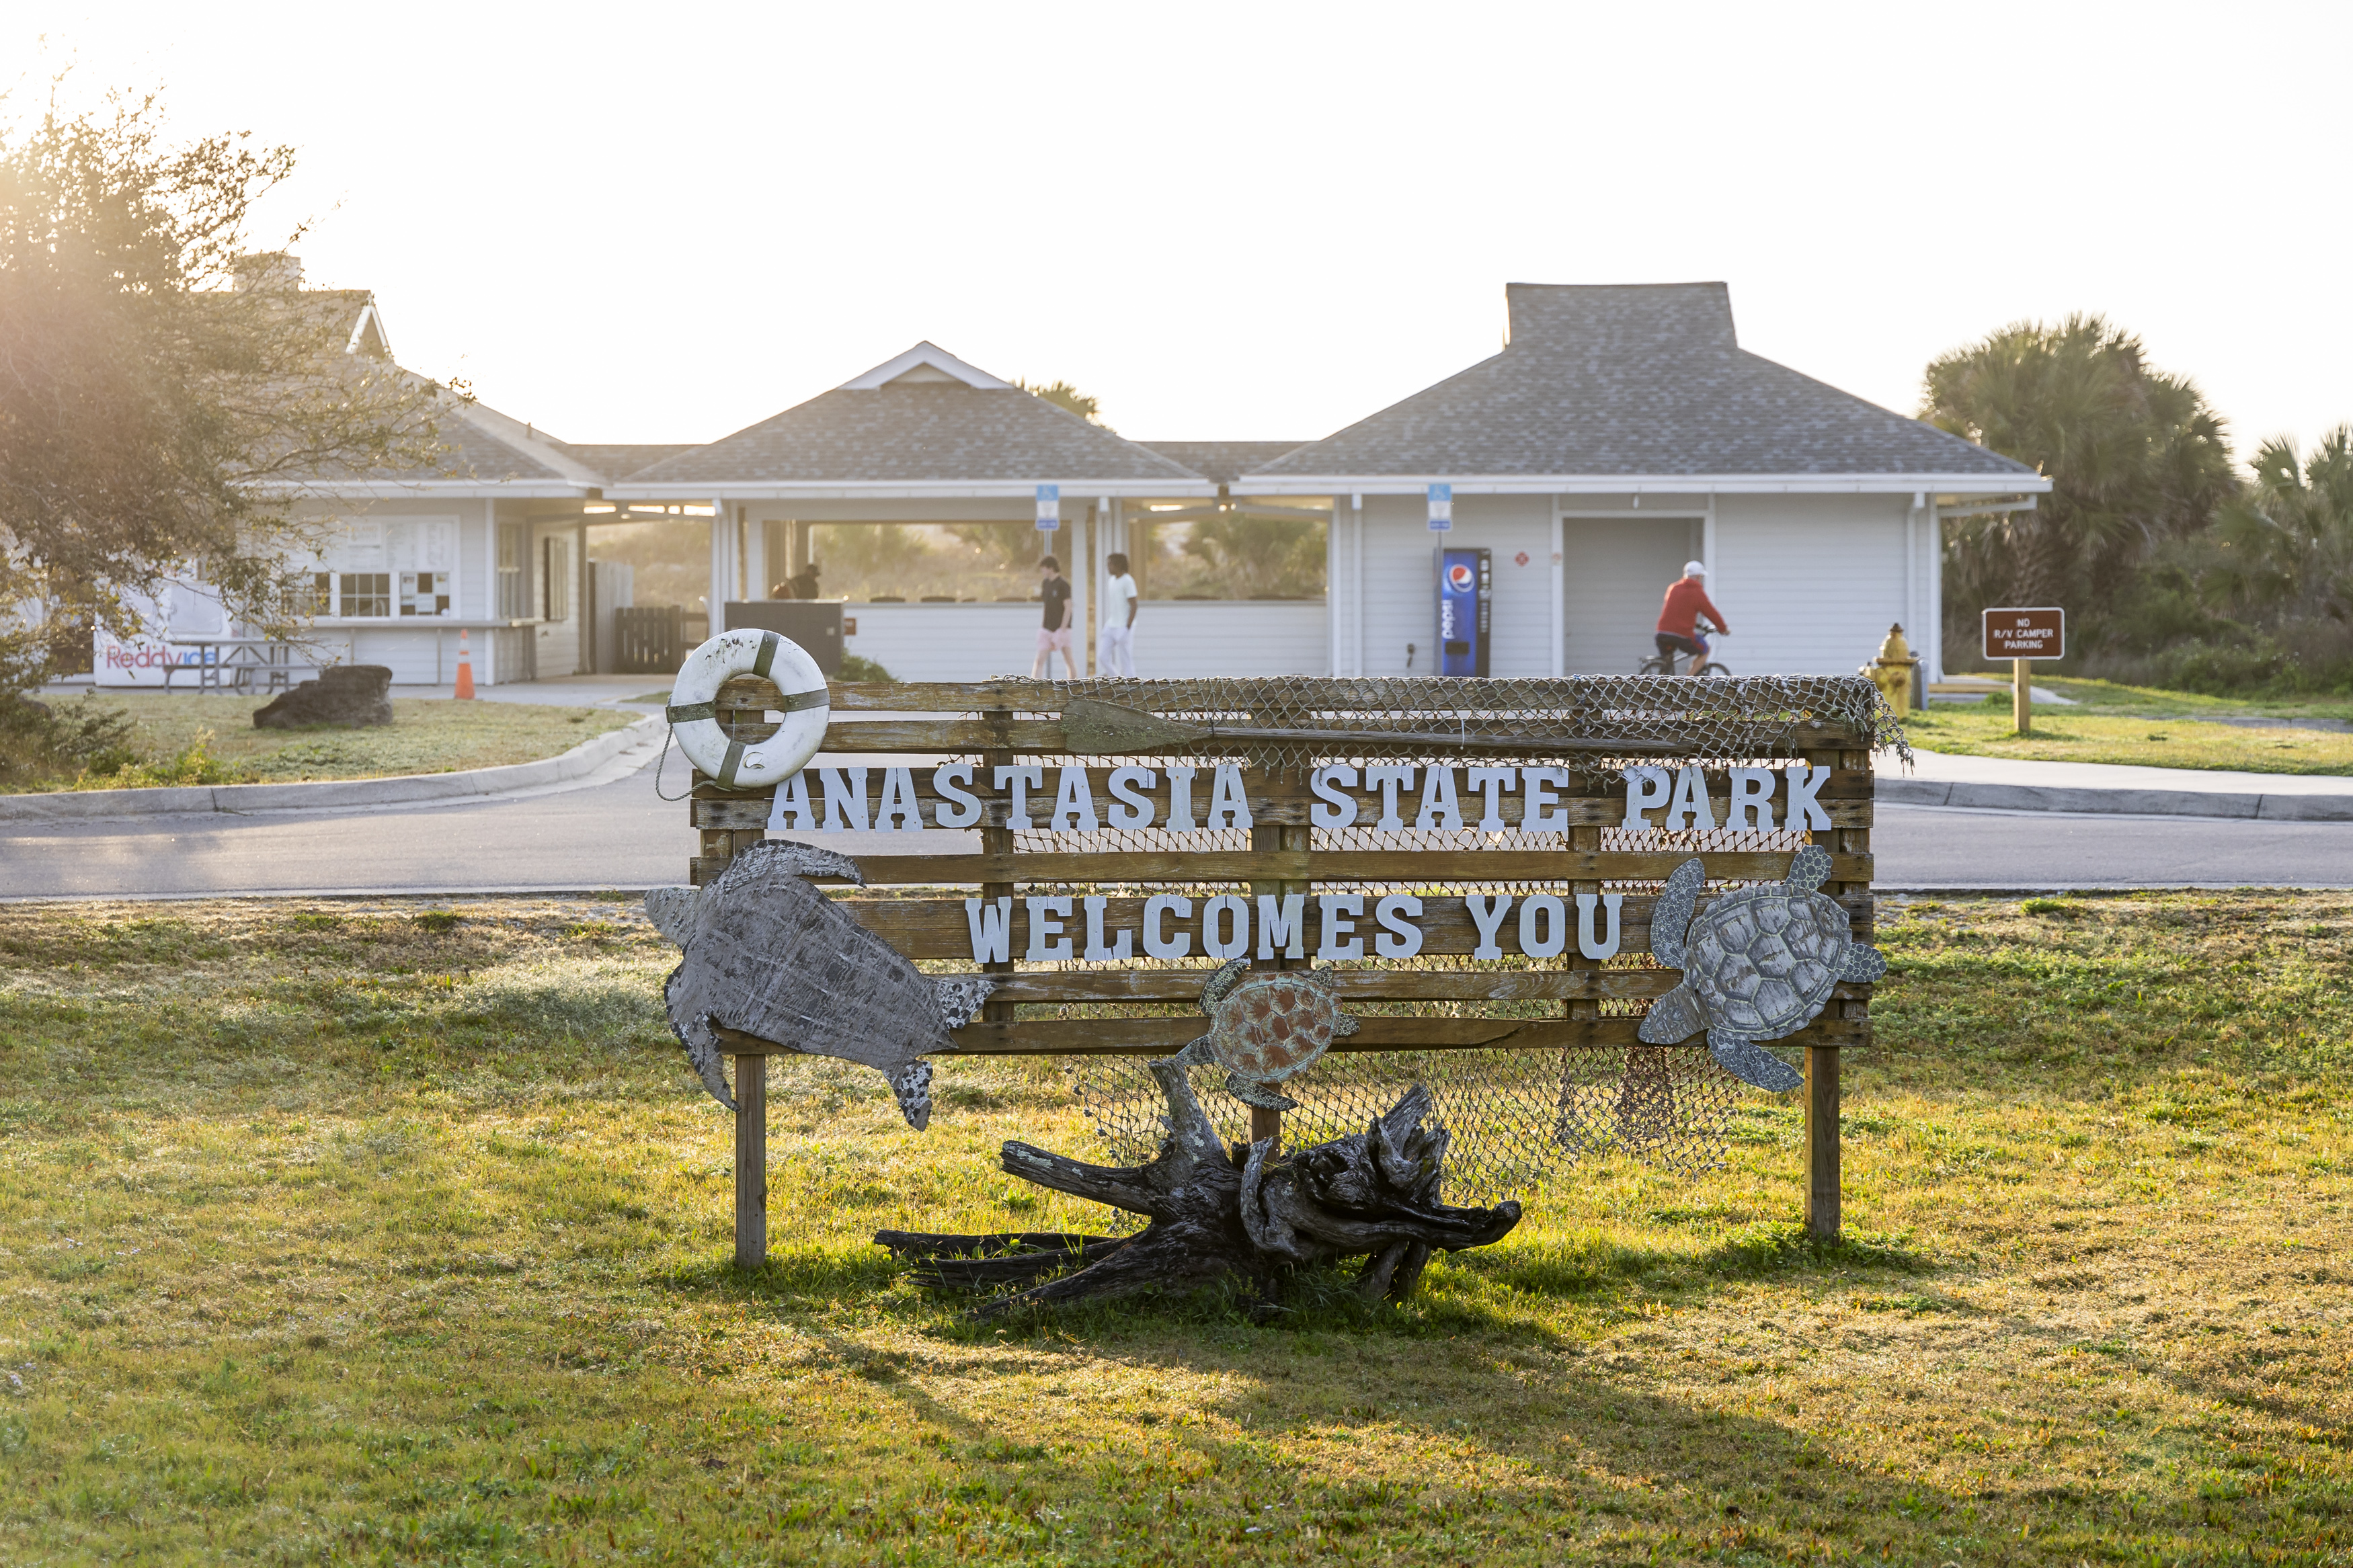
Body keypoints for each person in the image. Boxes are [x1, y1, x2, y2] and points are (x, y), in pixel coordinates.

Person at [1654, 560, 1728, 675]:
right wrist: (1723, 628)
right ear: (1698, 576)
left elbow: (1675, 609)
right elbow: (1711, 612)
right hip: (1682, 634)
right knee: (1705, 650)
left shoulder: (1673, 588)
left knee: (1667, 664)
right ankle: (1687, 682)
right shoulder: (1697, 592)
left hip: (1662, 633)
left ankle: (1661, 683)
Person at [1031, 554, 1075, 679]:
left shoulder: (1063, 585)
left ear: (1051, 568)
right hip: (1047, 628)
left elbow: (1068, 607)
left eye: (1044, 568)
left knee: (1068, 659)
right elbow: (1046, 605)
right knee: (1039, 660)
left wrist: (1063, 628)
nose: (1042, 571)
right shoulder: (1045, 583)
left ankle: (1074, 686)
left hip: (1061, 629)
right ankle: (1034, 686)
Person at [1099, 551, 1138, 677]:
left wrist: (1128, 626)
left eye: (1110, 564)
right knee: (1102, 656)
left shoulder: (1128, 581)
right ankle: (1117, 679)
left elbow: (1134, 605)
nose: (1108, 567)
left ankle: (1132, 685)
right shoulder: (1111, 581)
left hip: (1124, 626)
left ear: (1118, 565)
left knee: (1125, 659)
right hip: (1111, 625)